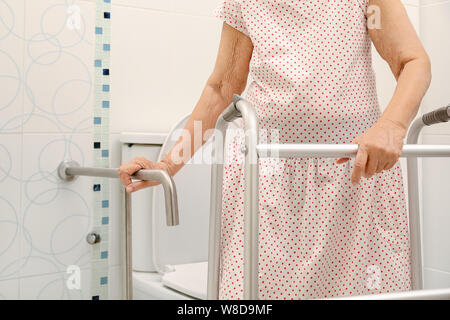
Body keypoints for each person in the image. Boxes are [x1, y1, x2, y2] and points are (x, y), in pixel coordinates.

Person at [119, 0, 431, 299]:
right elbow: (222, 87)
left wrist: (392, 125)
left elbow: (413, 61)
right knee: (257, 289)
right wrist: (168, 165)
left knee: (358, 292)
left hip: (350, 174)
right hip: (267, 177)